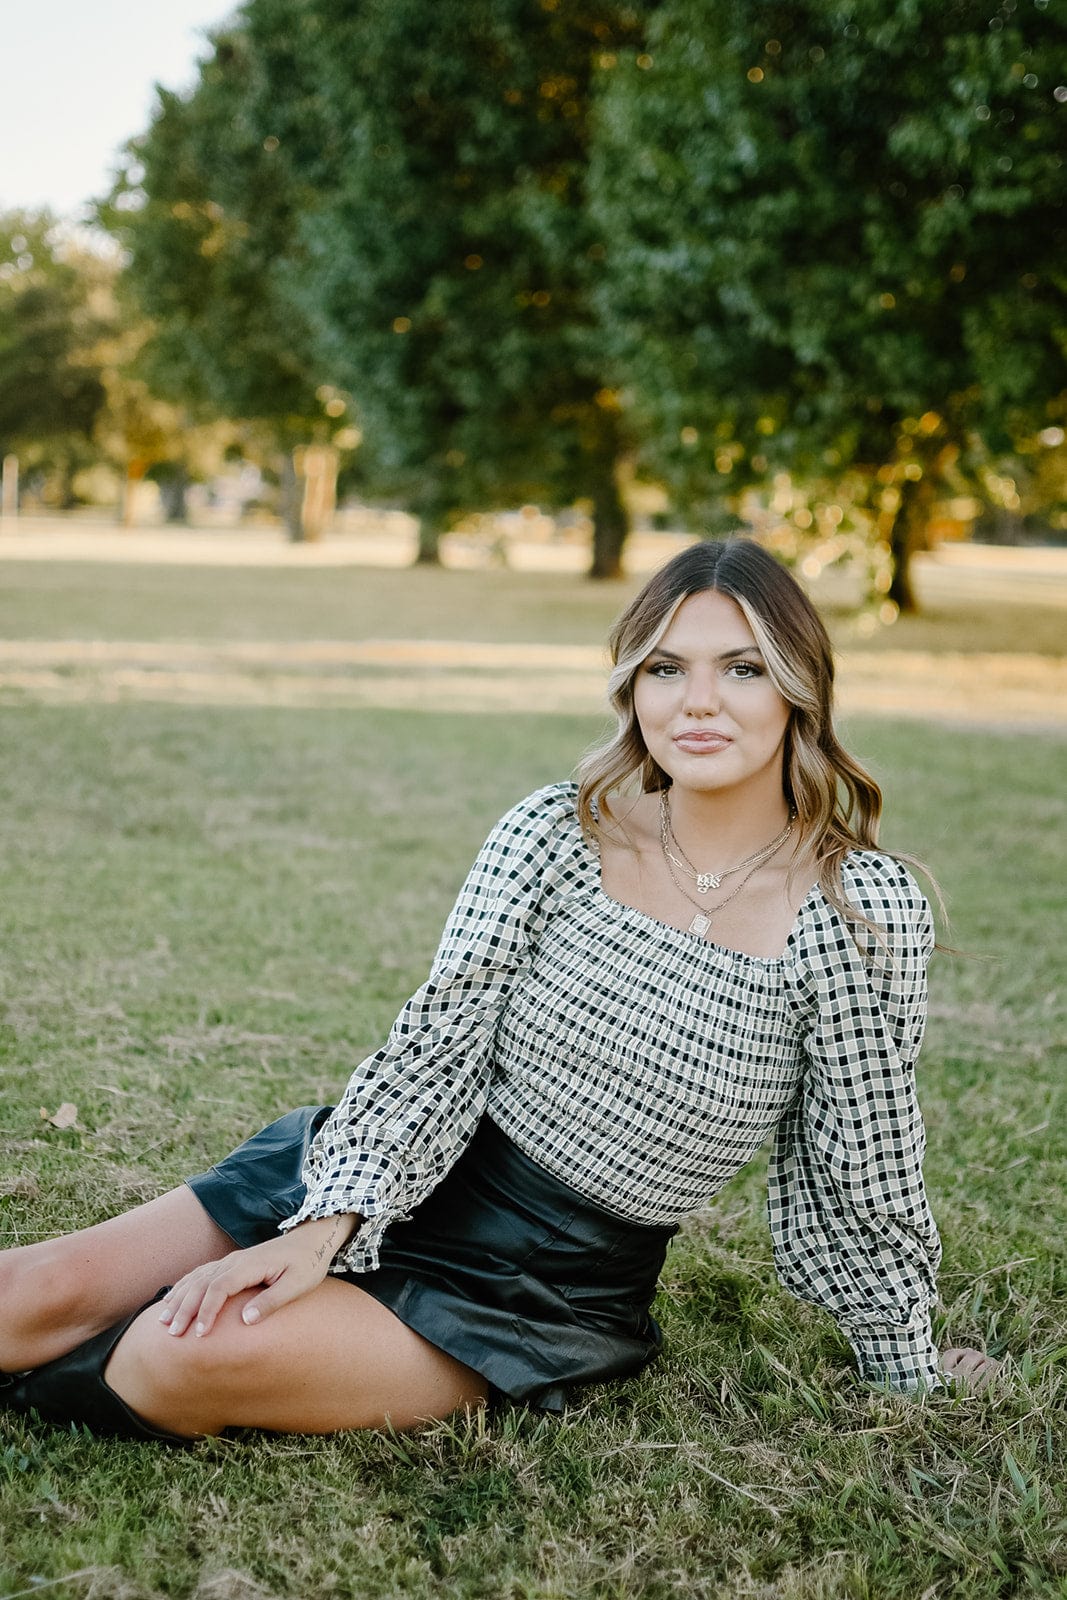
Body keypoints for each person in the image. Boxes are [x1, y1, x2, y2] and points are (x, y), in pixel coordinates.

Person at [0, 539, 999, 1443]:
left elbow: (861, 1163)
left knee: (179, 1354)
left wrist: (902, 1364)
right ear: (631, 688)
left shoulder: (857, 911)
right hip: (387, 1163)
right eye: (664, 668)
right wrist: (326, 1224)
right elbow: (438, 1044)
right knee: (30, 1292)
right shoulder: (553, 833)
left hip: (535, 1281)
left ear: (795, 688)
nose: (698, 703)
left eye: (739, 668)